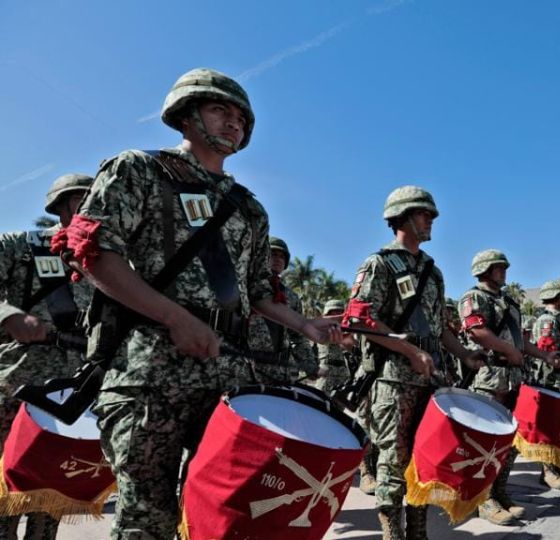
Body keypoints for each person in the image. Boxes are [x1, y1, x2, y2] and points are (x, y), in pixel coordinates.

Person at [51, 68, 344, 539]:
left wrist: (304, 324)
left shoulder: (249, 207)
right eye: (219, 110)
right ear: (186, 117)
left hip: (228, 374)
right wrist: (176, 318)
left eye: (241, 118)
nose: (234, 124)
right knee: (146, 515)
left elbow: (257, 292)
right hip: (149, 371)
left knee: (226, 509)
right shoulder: (138, 170)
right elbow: (93, 252)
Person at [342, 185, 479, 539]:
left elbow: (441, 329)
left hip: (429, 380)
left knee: (424, 459)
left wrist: (463, 354)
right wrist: (410, 351)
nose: (431, 220)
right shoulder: (379, 264)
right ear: (401, 217)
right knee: (392, 462)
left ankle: (418, 532)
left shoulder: (432, 272)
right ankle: (393, 534)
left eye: (431, 214)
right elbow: (358, 320)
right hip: (392, 380)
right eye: (423, 213)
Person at [0, 173, 95, 539]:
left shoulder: (107, 265)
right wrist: (8, 314)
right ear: (63, 206)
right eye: (85, 199)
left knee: (53, 485)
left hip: (74, 393)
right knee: (8, 480)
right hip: (17, 383)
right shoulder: (21, 247)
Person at [458, 249, 556, 526]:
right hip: (489, 377)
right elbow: (476, 331)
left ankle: (500, 491)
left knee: (509, 441)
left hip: (513, 378)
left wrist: (542, 355)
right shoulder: (473, 297)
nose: (504, 271)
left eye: (503, 266)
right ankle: (483, 499)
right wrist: (508, 351)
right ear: (485, 269)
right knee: (486, 441)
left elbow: (520, 341)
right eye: (498, 267)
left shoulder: (510, 302)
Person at [245, 236, 320, 384]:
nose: (278, 259)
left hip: (279, 372)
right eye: (273, 254)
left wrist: (310, 365)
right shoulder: (246, 285)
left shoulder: (291, 297)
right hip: (247, 366)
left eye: (282, 256)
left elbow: (298, 337)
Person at [529, 280, 560, 489]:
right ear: (557, 297)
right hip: (550, 380)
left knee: (559, 426)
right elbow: (549, 353)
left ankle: (556, 467)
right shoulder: (547, 320)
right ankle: (547, 471)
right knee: (548, 427)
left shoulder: (559, 320)